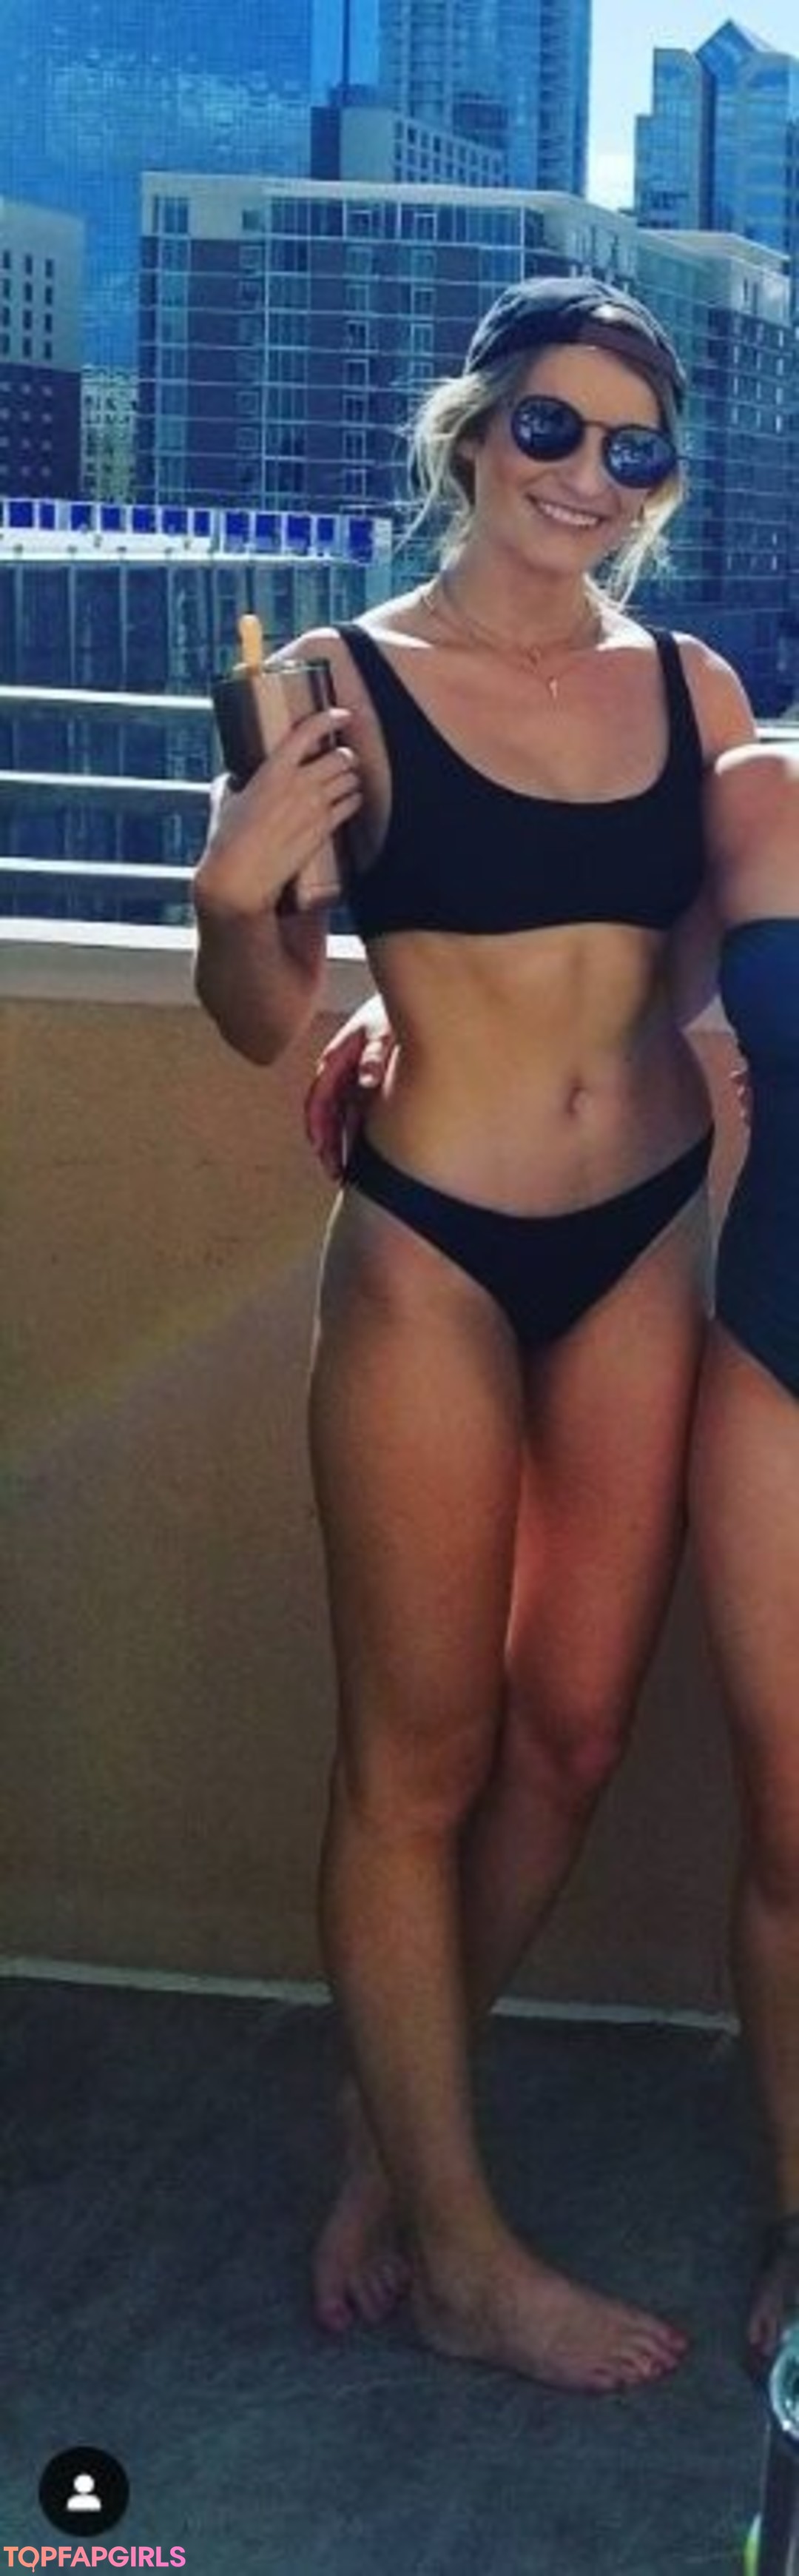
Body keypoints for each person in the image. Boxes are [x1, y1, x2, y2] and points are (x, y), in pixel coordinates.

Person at [193, 275, 755, 2392]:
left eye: (635, 450)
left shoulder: (694, 685)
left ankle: (388, 2121)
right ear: (469, 429)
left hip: (638, 1241)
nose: (587, 476)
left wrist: (646, 1028)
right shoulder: (332, 689)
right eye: (550, 427)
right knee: (413, 1761)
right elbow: (257, 1017)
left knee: (573, 1735)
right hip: (431, 1249)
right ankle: (457, 2244)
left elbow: (695, 948)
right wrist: (237, 906)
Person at [690, 743, 799, 2377]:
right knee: (794, 1829)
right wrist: (398, 1012)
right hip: (777, 1362)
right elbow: (589, 977)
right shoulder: (758, 795)